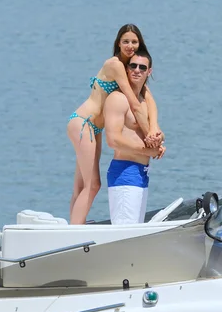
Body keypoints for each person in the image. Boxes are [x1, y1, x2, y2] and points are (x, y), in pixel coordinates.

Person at [67, 24, 163, 225]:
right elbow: (135, 105)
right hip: (84, 123)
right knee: (92, 185)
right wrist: (151, 141)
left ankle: (74, 225)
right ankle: (75, 231)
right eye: (125, 41)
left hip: (94, 128)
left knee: (81, 185)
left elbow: (149, 98)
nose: (130, 46)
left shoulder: (131, 67)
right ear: (118, 43)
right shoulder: (117, 65)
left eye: (134, 42)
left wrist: (154, 128)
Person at [104, 51, 165, 224]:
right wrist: (148, 150)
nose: (137, 70)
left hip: (141, 173)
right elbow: (113, 140)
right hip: (125, 172)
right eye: (133, 66)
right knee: (125, 232)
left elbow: (157, 132)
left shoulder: (144, 102)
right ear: (126, 69)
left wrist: (159, 141)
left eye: (142, 67)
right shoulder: (118, 99)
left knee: (133, 228)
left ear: (149, 72)